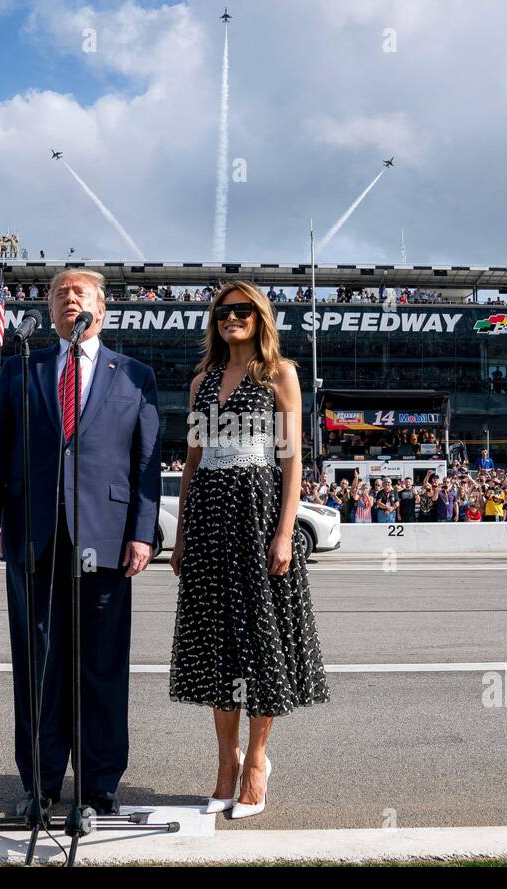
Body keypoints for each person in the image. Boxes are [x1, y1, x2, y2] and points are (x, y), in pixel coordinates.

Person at [0, 267, 161, 819]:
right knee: (39, 664)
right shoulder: (21, 368)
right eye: (59, 294)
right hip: (33, 535)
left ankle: (100, 781)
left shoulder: (135, 375)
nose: (68, 299)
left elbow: (145, 465)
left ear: (102, 308)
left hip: (104, 538)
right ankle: (42, 780)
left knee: (102, 665)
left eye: (79, 293)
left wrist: (142, 533)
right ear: (51, 311)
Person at [169, 279, 329, 820]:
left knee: (261, 641)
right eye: (222, 312)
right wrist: (184, 534)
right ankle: (223, 764)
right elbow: (193, 461)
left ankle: (257, 759)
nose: (231, 318)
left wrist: (284, 533)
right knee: (216, 644)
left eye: (241, 310)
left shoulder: (280, 374)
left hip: (257, 515)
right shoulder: (201, 383)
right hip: (210, 518)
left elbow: (291, 461)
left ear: (260, 318)